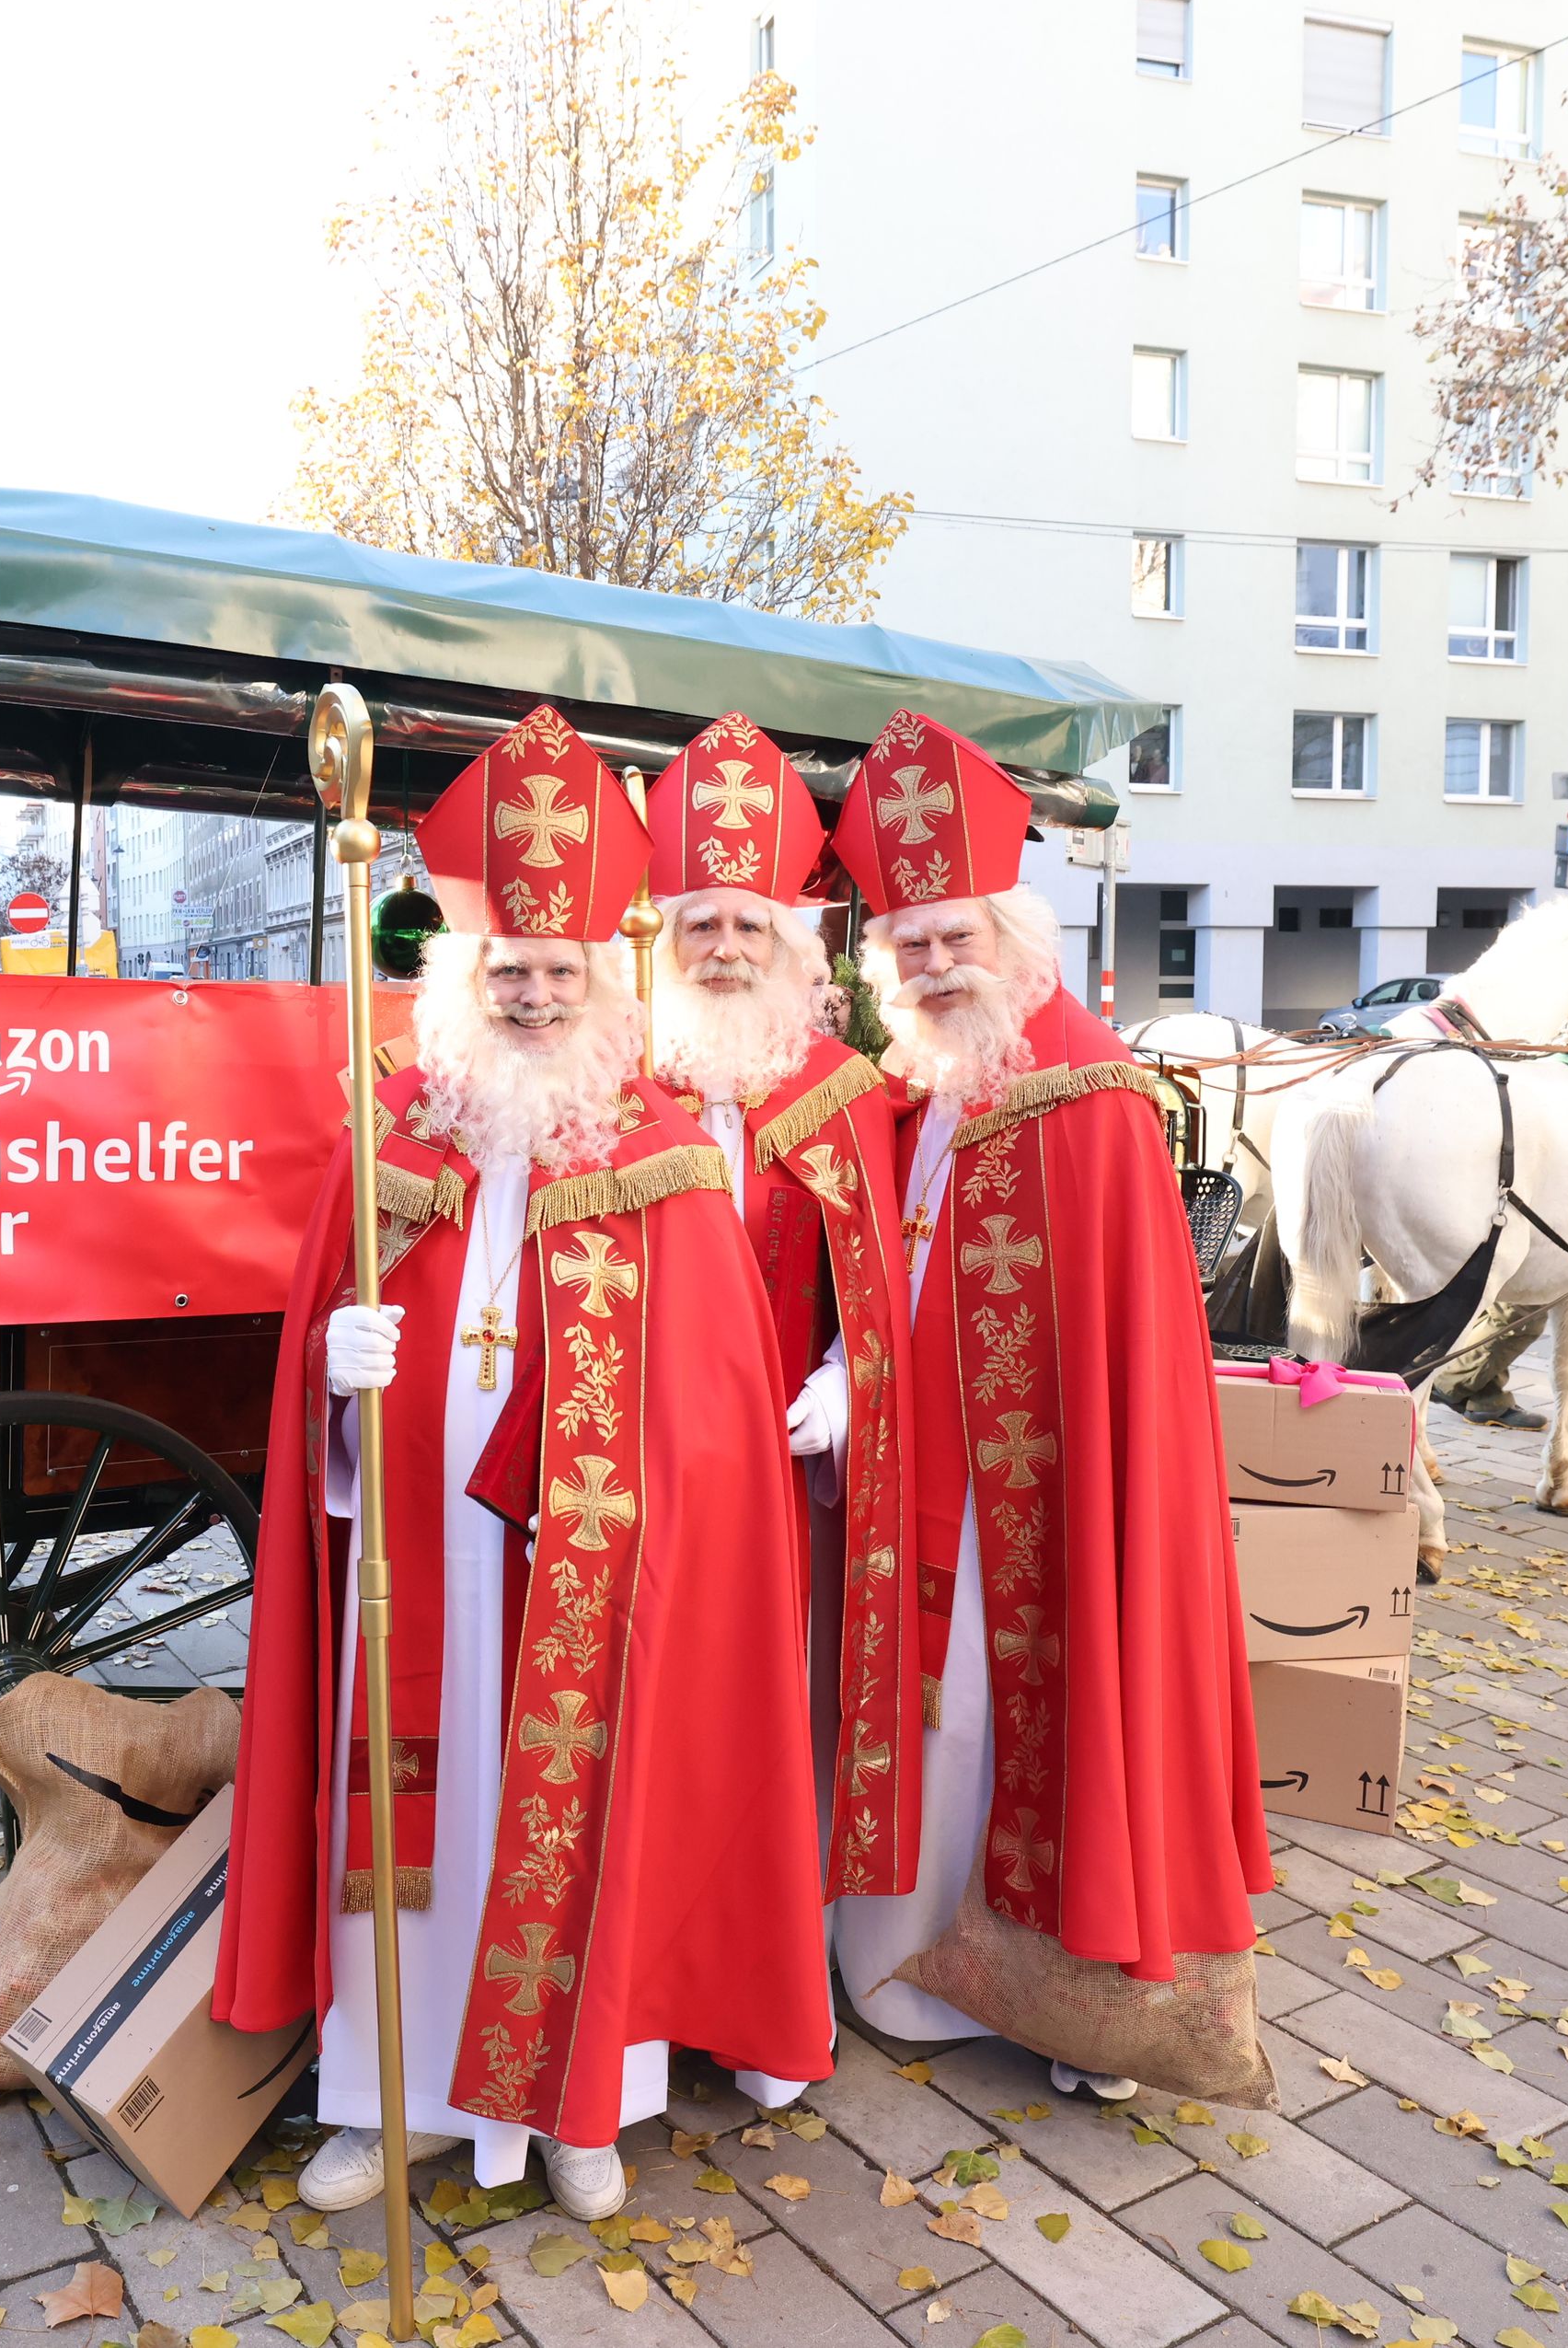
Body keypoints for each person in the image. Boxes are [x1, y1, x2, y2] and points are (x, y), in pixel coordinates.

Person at [217, 705, 830, 2219]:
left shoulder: (663, 1154)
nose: (538, 994)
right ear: (464, 976)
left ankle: (584, 2108)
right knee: (406, 1814)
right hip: (411, 1553)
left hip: (586, 1576)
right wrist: (336, 1387)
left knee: (583, 1812)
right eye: (512, 971)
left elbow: (710, 1410)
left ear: (608, 980)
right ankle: (386, 2096)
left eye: (563, 972)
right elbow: (320, 1384)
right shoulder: (395, 1140)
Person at [821, 710, 1274, 2099]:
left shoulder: (1087, 1093)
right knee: (944, 1732)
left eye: (957, 938)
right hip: (923, 1490)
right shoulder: (914, 1093)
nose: (936, 964)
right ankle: (915, 1959)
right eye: (910, 944)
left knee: (1039, 1712)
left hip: (1046, 1498)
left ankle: (1074, 1989)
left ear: (1016, 939)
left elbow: (1118, 1344)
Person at [644, 711, 917, 1930]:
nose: (722, 943)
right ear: (662, 938)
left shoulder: (841, 1093)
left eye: (748, 921)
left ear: (793, 945)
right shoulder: (615, 1085)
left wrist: (851, 1377)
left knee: (776, 1702)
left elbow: (878, 1276)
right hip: (642, 1464)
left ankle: (771, 1929)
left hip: (783, 1466)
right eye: (699, 920)